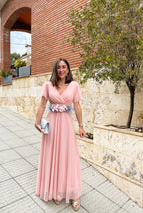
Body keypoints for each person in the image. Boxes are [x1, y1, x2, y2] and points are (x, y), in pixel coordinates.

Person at [35, 58, 86, 211]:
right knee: (52, 156)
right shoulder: (48, 85)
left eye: (64, 67)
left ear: (68, 70)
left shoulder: (74, 86)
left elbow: (77, 106)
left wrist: (81, 126)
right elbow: (43, 104)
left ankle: (73, 193)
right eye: (58, 67)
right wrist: (37, 121)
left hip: (66, 125)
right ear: (55, 70)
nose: (61, 69)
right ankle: (57, 190)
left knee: (68, 156)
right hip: (51, 124)